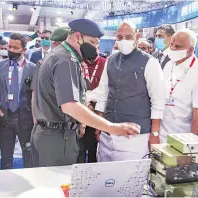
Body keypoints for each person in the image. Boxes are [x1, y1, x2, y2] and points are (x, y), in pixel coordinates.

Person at [31, 18, 140, 167]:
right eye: (93, 42)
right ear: (77, 36)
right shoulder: (66, 61)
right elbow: (70, 106)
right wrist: (111, 127)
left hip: (48, 133)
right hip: (58, 137)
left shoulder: (57, 54)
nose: (95, 48)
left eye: (97, 44)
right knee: (57, 184)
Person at [95, 21, 165, 162]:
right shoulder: (110, 60)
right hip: (108, 132)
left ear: (137, 36)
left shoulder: (150, 63)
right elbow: (103, 94)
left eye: (128, 37)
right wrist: (99, 125)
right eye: (120, 37)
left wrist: (155, 133)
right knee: (105, 176)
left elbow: (157, 100)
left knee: (130, 178)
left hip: (135, 136)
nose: (123, 41)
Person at [0, 33, 36, 169]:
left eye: (16, 48)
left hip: (25, 118)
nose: (11, 50)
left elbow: (36, 95)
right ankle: (6, 186)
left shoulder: (33, 68)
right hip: (4, 117)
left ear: (24, 50)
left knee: (29, 156)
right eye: (9, 46)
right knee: (5, 157)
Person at [160, 29, 198, 143]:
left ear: (190, 49)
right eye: (172, 44)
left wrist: (191, 142)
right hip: (161, 130)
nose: (172, 48)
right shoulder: (168, 65)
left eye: (178, 46)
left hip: (181, 134)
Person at [78, 52, 106, 163]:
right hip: (79, 112)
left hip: (96, 114)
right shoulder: (78, 62)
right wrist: (86, 104)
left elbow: (105, 91)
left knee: (93, 150)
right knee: (79, 150)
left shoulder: (105, 64)